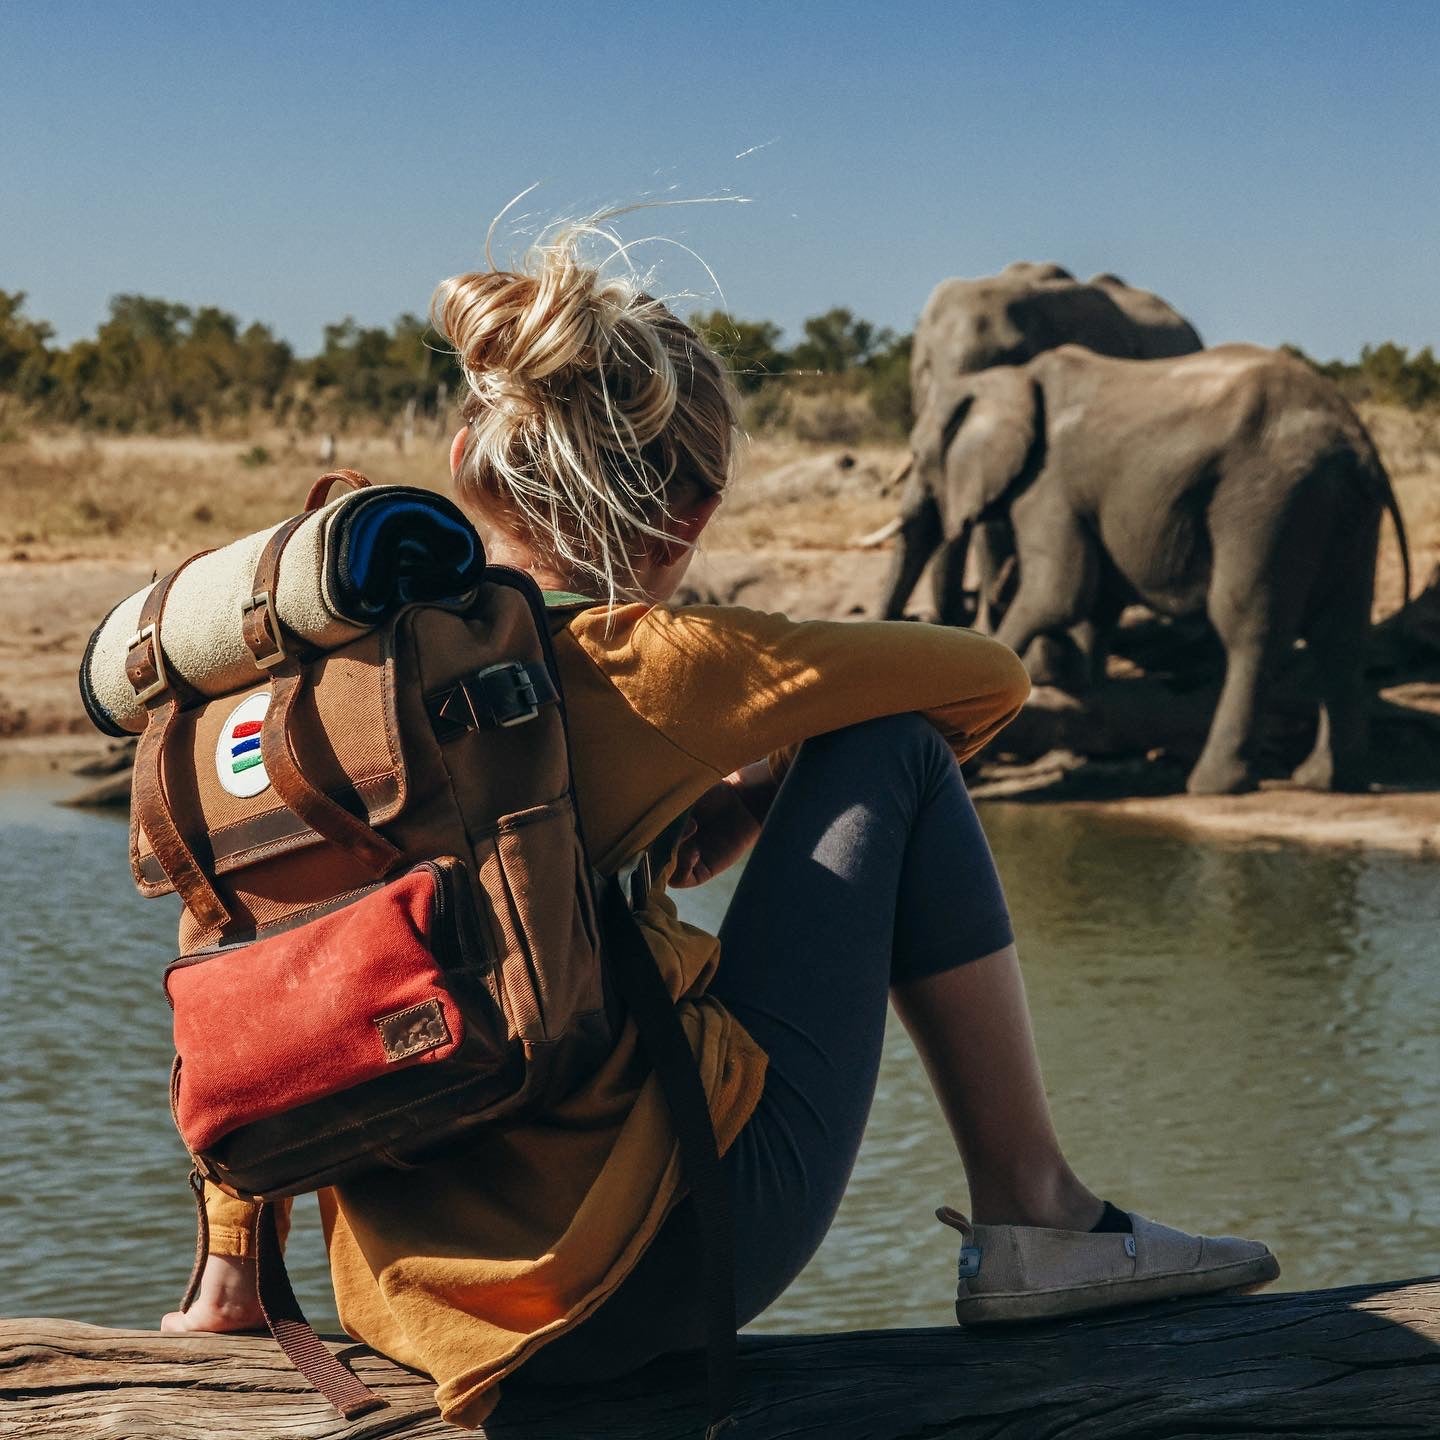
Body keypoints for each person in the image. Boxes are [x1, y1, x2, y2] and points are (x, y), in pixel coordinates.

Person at [162, 226, 1278, 1427]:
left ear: (468, 461)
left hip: (404, 1308)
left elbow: (234, 952)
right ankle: (1039, 1213)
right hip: (658, 1271)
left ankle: (233, 1277)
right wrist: (757, 789)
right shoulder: (657, 664)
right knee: (891, 748)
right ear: (689, 512)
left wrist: (233, 1263)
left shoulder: (347, 697)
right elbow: (986, 678)